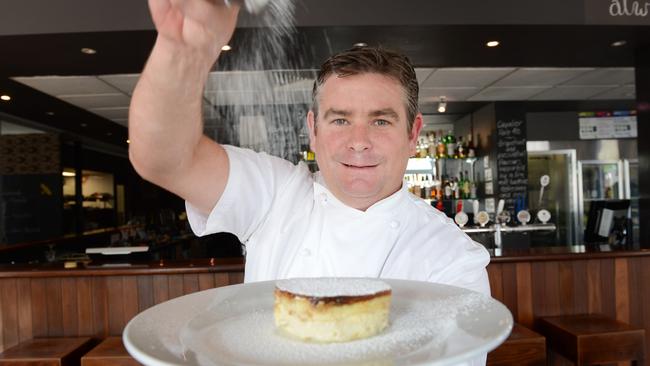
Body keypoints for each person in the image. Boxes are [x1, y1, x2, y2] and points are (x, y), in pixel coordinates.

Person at [130, 0, 489, 294]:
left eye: (381, 121)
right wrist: (184, 50)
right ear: (313, 130)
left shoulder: (455, 259)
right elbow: (164, 160)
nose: (359, 142)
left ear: (413, 134)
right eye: (340, 120)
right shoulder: (276, 194)